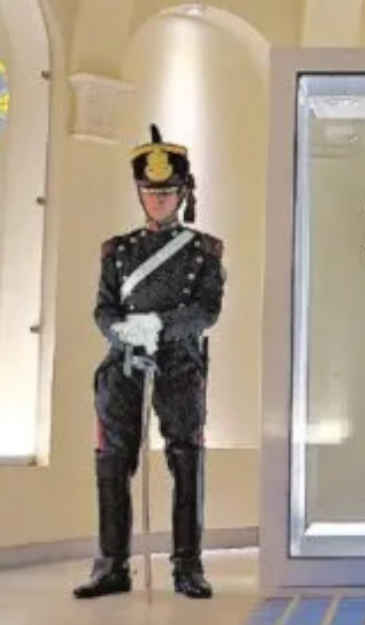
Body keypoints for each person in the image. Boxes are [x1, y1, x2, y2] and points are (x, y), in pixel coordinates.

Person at [73, 125, 225, 599]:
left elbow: (206, 311)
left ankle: (188, 566)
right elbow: (103, 308)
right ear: (139, 193)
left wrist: (157, 325)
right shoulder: (117, 251)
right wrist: (121, 331)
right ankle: (111, 565)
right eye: (150, 192)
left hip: (178, 364)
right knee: (113, 463)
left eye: (166, 192)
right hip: (123, 364)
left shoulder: (204, 250)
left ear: (183, 193)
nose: (158, 200)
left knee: (186, 461)